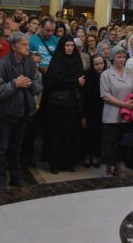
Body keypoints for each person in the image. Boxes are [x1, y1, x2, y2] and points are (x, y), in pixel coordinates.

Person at [0, 33, 42, 191]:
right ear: (14, 47)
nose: (28, 47)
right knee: (2, 148)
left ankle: (15, 177)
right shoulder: (2, 64)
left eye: (28, 44)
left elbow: (39, 86)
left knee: (16, 147)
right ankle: (0, 180)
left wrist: (29, 84)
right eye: (24, 45)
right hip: (6, 113)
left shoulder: (30, 63)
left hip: (23, 112)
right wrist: (14, 85)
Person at [44, 35, 85, 174]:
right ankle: (54, 163)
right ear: (62, 46)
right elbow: (55, 79)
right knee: (56, 134)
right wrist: (74, 81)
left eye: (72, 45)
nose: (70, 48)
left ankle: (68, 162)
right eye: (67, 45)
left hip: (72, 103)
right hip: (56, 103)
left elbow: (82, 80)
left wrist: (74, 82)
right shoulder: (57, 60)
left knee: (70, 133)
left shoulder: (77, 60)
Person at [100, 46, 133, 177]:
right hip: (111, 114)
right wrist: (123, 104)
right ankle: (108, 170)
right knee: (110, 143)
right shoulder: (106, 74)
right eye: (119, 57)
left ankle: (118, 168)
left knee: (122, 143)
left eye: (123, 57)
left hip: (126, 115)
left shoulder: (130, 72)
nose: (121, 59)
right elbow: (105, 96)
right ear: (112, 58)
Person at [81, 54, 106, 168]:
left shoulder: (106, 76)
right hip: (89, 110)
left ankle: (95, 155)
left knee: (98, 134)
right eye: (96, 64)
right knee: (88, 134)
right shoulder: (87, 77)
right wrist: (83, 115)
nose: (99, 66)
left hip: (103, 110)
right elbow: (84, 97)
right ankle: (87, 155)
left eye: (101, 63)